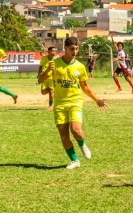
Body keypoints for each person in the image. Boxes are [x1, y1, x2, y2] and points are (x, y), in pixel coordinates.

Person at [38, 37, 108, 169]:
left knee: (76, 130)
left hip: (75, 101)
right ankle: (75, 161)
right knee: (64, 135)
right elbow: (40, 79)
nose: (74, 51)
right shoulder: (54, 63)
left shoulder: (80, 67)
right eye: (72, 49)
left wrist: (97, 100)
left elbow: (85, 87)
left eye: (76, 49)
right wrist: (47, 71)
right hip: (59, 104)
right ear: (65, 49)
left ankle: (82, 144)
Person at [39, 46, 57, 111]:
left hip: (52, 77)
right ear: (48, 52)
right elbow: (40, 66)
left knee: (51, 91)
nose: (54, 52)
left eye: (55, 50)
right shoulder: (44, 58)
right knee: (43, 92)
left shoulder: (56, 59)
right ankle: (54, 92)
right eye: (52, 51)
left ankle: (50, 105)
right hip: (44, 77)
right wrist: (39, 74)